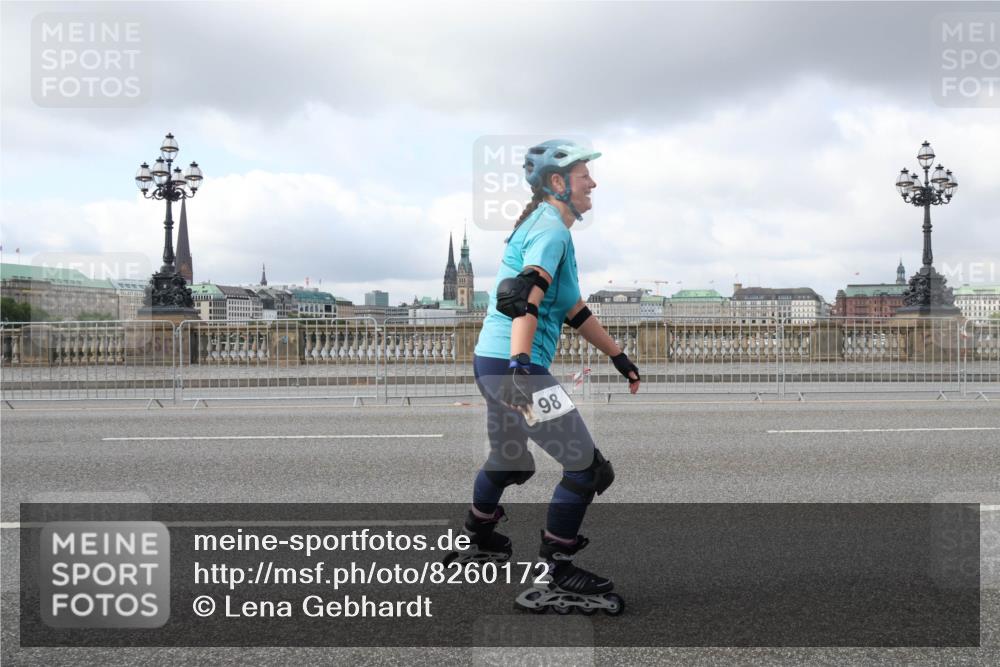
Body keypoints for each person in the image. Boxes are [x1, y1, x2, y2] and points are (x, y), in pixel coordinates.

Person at [448, 139, 639, 615]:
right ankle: (558, 569)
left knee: (512, 461)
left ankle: (480, 535)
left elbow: (571, 307)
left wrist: (618, 356)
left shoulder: (547, 228)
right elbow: (522, 294)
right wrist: (520, 367)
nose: (593, 182)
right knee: (588, 468)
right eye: (583, 175)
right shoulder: (551, 231)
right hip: (515, 368)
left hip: (491, 362)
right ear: (558, 183)